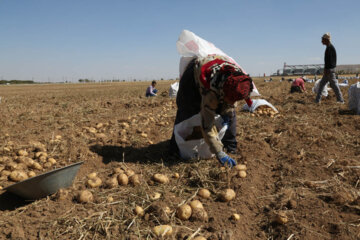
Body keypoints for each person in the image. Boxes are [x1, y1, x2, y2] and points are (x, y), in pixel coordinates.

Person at [169, 55, 254, 168]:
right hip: (193, 77)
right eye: (229, 99)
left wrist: (227, 113)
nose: (232, 102)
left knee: (231, 114)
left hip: (219, 77)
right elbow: (207, 125)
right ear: (222, 93)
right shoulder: (212, 93)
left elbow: (232, 103)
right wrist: (219, 152)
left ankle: (230, 146)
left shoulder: (240, 81)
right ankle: (174, 149)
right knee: (186, 111)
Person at [315, 33, 344, 104]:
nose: (321, 41)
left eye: (322, 39)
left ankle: (341, 100)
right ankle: (317, 100)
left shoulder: (330, 48)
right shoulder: (328, 47)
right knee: (322, 85)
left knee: (334, 86)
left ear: (326, 40)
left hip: (329, 70)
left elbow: (330, 61)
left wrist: (327, 69)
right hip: (328, 70)